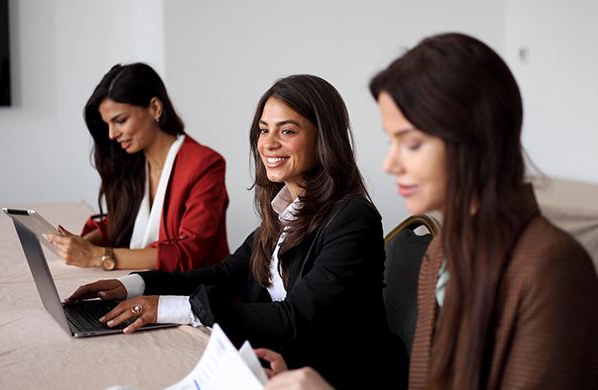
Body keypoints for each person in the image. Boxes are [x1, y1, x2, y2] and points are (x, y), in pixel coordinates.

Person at [256, 32, 598, 390]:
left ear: (476, 141)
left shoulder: (552, 265)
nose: (390, 163)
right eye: (392, 141)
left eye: (412, 143)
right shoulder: (442, 252)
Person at [65, 74, 407, 389]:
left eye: (287, 131)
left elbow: (295, 317)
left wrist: (167, 308)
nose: (268, 143)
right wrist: (132, 285)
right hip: (279, 363)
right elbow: (224, 274)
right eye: (263, 130)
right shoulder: (284, 210)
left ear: (323, 139)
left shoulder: (353, 219)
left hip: (336, 377)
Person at [48, 63, 229, 272]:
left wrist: (98, 256)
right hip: (146, 288)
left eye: (121, 121)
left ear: (155, 108)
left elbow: (186, 254)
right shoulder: (134, 162)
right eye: (108, 124)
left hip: (196, 296)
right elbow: (124, 220)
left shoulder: (205, 164)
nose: (111, 134)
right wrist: (82, 244)